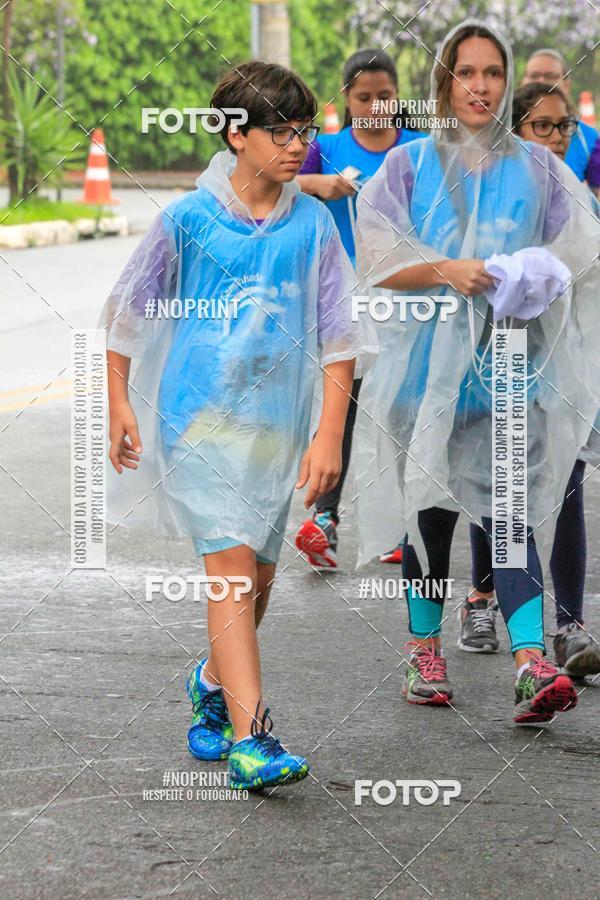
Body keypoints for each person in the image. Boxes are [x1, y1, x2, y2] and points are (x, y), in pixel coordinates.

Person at [102, 61, 375, 789]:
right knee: (227, 571)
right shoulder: (188, 221)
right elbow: (126, 310)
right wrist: (120, 402)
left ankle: (214, 683)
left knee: (256, 580)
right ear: (236, 134)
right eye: (281, 131)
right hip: (197, 425)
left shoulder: (312, 225)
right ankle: (255, 741)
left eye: (303, 131)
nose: (297, 146)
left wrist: (326, 434)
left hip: (274, 433)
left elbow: (341, 336)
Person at [354, 20, 600, 725]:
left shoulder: (541, 169)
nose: (481, 85)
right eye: (468, 72)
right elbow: (375, 256)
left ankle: (528, 663)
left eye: (494, 73)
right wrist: (447, 270)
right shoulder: (407, 168)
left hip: (510, 368)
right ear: (445, 80)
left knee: (512, 512)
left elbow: (581, 248)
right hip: (426, 374)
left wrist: (539, 271)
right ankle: (424, 651)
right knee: (430, 512)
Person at [463, 81, 600, 678]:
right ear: (513, 131)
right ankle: (482, 599)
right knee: (495, 482)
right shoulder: (490, 190)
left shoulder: (570, 190)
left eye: (564, 125)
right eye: (541, 126)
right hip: (493, 352)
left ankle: (569, 624)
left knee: (567, 475)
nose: (557, 137)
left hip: (555, 353)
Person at [294, 49, 424, 569]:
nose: (374, 105)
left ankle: (409, 524)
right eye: (363, 96)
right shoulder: (324, 149)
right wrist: (317, 185)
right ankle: (325, 519)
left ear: (398, 98)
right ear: (346, 99)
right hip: (346, 300)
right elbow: (273, 185)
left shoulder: (421, 149)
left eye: (384, 96)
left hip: (411, 299)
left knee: (404, 413)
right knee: (341, 408)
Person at [522, 48, 600, 196]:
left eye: (550, 76)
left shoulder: (589, 139)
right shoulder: (501, 131)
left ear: (567, 85)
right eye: (534, 75)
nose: (541, 82)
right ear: (522, 81)